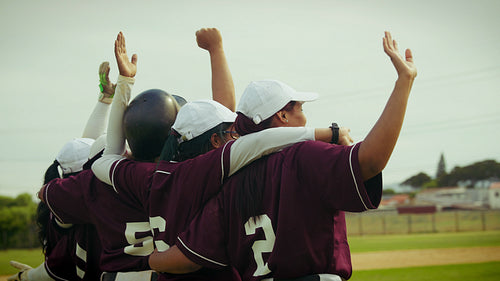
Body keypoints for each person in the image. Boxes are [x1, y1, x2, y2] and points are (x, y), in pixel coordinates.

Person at [148, 31, 417, 281]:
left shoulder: (227, 188)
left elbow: (187, 257)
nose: (304, 115)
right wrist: (403, 83)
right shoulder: (305, 156)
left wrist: (147, 258)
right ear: (282, 115)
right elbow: (369, 161)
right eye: (298, 107)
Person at [8, 61, 116, 281]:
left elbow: (87, 148)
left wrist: (105, 101)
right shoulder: (86, 207)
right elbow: (53, 270)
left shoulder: (61, 198)